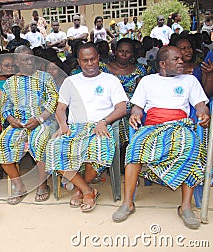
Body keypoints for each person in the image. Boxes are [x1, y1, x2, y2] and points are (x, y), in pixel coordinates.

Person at [112, 46, 210, 229]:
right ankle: (127, 203)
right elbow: (137, 107)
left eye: (181, 58)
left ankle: (186, 207)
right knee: (134, 149)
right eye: (176, 59)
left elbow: (200, 105)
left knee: (191, 147)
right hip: (152, 127)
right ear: (163, 64)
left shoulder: (190, 80)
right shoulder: (148, 81)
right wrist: (135, 114)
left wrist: (204, 114)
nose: (181, 62)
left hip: (180, 126)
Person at [46, 42, 127, 211]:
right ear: (79, 61)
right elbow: (60, 108)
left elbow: (121, 108)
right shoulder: (70, 81)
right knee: (53, 148)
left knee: (99, 148)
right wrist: (62, 125)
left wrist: (104, 121)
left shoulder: (110, 80)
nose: (89, 64)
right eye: (85, 60)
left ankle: (80, 189)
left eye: (93, 59)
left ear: (99, 59)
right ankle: (87, 190)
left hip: (101, 126)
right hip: (75, 127)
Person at [0, 45, 58, 204]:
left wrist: (39, 119)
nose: (30, 62)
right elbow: (5, 106)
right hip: (19, 123)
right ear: (17, 61)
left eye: (32, 58)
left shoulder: (45, 78)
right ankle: (19, 186)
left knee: (39, 141)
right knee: (1, 144)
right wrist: (10, 119)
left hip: (43, 121)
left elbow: (54, 100)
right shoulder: (10, 83)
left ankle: (42, 184)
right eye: (25, 59)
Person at [100, 38, 152, 150]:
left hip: (129, 108)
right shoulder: (103, 68)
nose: (124, 54)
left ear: (132, 54)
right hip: (108, 105)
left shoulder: (139, 70)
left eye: (127, 52)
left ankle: (125, 152)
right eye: (121, 51)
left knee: (126, 119)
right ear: (115, 51)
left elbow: (141, 92)